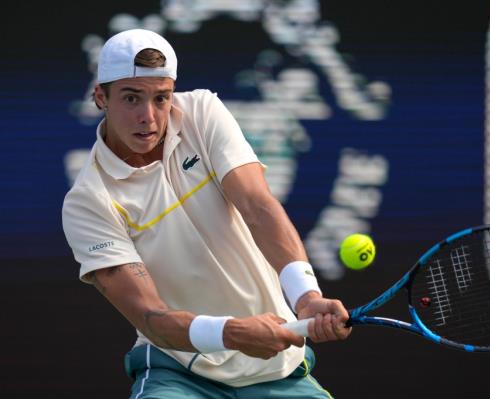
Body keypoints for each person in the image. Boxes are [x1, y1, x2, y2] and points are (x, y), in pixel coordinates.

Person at [62, 28, 351, 398]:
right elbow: (150, 317)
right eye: (131, 98)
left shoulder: (201, 111)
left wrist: (307, 296)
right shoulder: (88, 201)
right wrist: (232, 332)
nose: (148, 117)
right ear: (100, 96)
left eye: (161, 98)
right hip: (177, 371)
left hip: (277, 370)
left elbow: (257, 206)